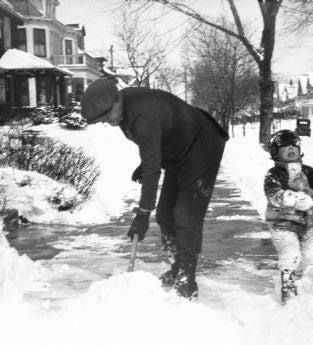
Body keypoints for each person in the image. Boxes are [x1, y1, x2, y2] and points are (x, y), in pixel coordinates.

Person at [80, 77, 229, 299]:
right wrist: (148, 163)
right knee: (165, 215)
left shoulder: (141, 116)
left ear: (116, 102)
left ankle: (187, 279)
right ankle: (177, 266)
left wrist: (142, 213)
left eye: (107, 116)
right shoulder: (125, 109)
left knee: (185, 216)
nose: (108, 122)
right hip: (178, 152)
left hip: (201, 146)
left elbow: (152, 164)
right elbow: (156, 139)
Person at [263, 129, 313, 304]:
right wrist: (294, 198)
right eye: (285, 146)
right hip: (281, 222)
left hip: (306, 222)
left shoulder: (310, 172)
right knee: (290, 252)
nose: (291, 149)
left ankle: (297, 278)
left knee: (309, 255)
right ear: (275, 151)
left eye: (294, 145)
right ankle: (287, 286)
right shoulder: (274, 174)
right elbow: (274, 194)